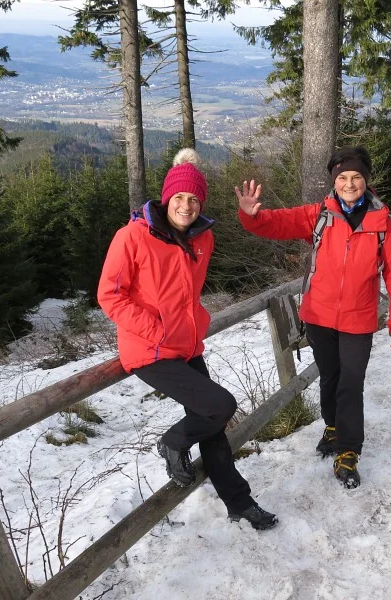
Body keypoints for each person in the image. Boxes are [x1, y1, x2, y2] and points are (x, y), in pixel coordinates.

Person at [98, 149, 278, 530]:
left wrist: (194, 322)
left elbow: (186, 294)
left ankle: (239, 502)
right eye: (179, 197)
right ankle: (173, 442)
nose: (186, 206)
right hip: (150, 349)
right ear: (166, 198)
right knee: (221, 406)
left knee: (212, 425)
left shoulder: (202, 238)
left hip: (185, 344)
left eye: (194, 199)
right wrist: (156, 330)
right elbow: (110, 295)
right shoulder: (133, 236)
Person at [235, 146, 391, 489]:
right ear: (334, 181)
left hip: (359, 319)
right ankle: (332, 426)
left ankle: (348, 450)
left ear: (366, 181)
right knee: (330, 377)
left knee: (351, 382)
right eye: (343, 177)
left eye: (356, 177)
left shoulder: (382, 223)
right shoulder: (319, 215)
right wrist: (251, 216)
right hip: (319, 316)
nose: (349, 184)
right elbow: (276, 224)